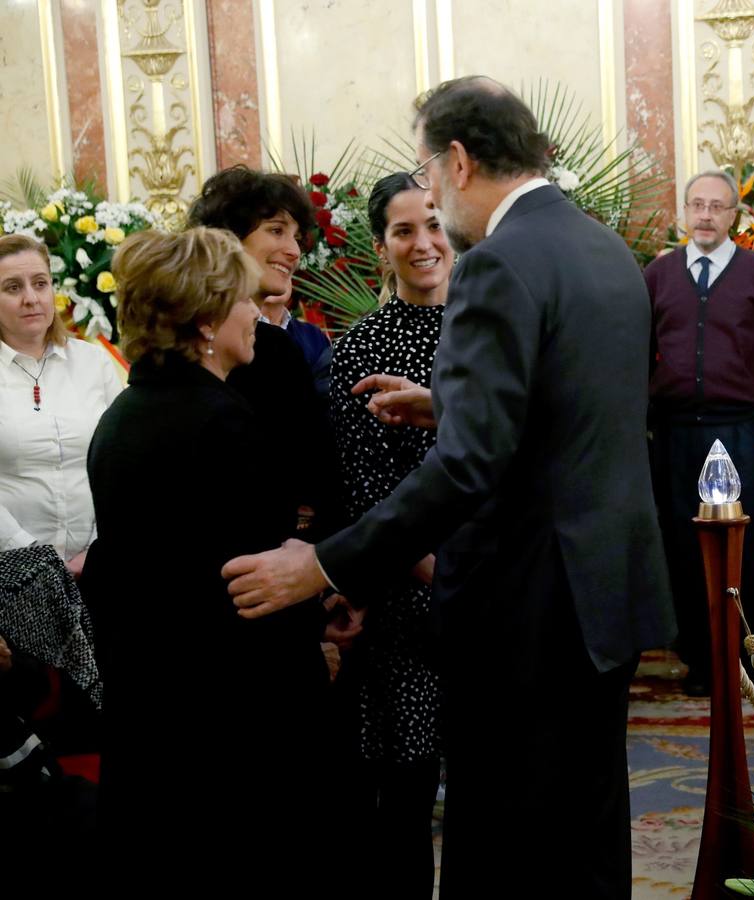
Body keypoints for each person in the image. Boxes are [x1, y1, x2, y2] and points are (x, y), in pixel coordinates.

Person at [221, 76, 676, 898]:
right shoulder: (602, 245)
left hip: (525, 604)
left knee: (503, 843)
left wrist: (324, 565)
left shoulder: (496, 263)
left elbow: (469, 469)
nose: (430, 194)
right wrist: (450, 404)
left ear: (458, 161)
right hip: (604, 589)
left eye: (427, 174)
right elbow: (583, 410)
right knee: (587, 829)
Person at [83, 228, 333, 892]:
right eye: (245, 300)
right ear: (206, 318)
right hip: (229, 723)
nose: (257, 312)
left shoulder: (123, 416)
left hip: (151, 706)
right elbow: (252, 585)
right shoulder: (222, 423)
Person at [327, 172, 450, 895]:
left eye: (433, 224)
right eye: (405, 230)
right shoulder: (359, 350)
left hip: (497, 591)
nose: (423, 242)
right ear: (382, 248)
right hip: (409, 603)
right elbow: (369, 491)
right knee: (405, 790)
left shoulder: (494, 333)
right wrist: (440, 570)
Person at [645, 169, 754, 696]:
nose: (706, 215)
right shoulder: (659, 274)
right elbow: (637, 352)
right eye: (697, 205)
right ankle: (699, 661)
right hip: (673, 432)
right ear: (684, 212)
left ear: (734, 215)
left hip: (737, 430)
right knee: (682, 543)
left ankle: (749, 662)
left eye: (717, 206)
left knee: (743, 545)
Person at [187, 166, 340, 539]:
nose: (294, 250)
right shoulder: (183, 345)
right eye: (276, 230)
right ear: (228, 239)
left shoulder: (278, 349)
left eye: (296, 237)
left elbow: (321, 477)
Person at [0, 234, 123, 575]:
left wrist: (99, 549)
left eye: (40, 284)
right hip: (12, 571)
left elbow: (122, 461)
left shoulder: (92, 362)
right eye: (12, 288)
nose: (31, 298)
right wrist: (35, 557)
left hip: (98, 562)